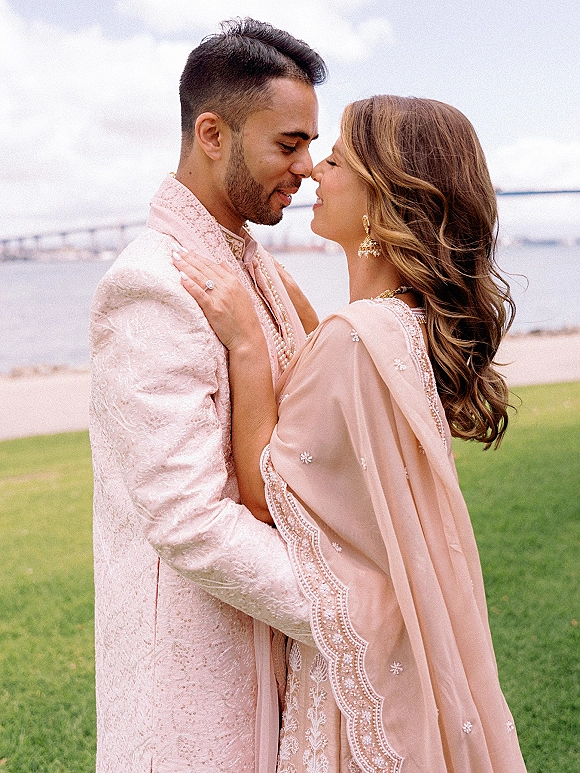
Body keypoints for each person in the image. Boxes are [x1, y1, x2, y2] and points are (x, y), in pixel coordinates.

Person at [174, 95, 528, 771]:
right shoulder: (402, 322)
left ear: (382, 198)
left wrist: (248, 345)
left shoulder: (356, 339)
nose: (312, 173)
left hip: (357, 664)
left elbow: (265, 497)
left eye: (335, 158)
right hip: (398, 641)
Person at [89, 18, 327, 772]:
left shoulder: (255, 265)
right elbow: (187, 517)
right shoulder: (150, 284)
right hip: (194, 700)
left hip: (270, 670)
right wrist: (346, 608)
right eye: (288, 144)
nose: (308, 168)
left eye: (310, 145)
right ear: (214, 134)